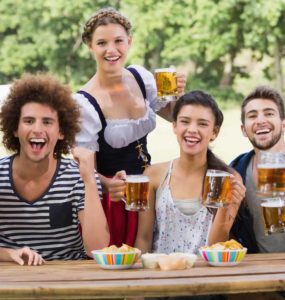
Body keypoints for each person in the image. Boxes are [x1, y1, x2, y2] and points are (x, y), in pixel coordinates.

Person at [74, 7, 186, 247]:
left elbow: (172, 115)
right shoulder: (85, 103)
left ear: (129, 42)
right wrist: (108, 183)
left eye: (118, 41)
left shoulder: (140, 77)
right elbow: (83, 166)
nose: (111, 50)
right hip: (114, 201)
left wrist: (176, 95)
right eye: (102, 43)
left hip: (150, 192)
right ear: (90, 47)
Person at [111, 91, 245, 254]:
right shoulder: (153, 176)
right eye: (185, 121)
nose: (192, 129)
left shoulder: (226, 179)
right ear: (175, 126)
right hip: (162, 273)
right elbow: (144, 238)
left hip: (206, 274)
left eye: (202, 124)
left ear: (214, 132)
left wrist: (226, 207)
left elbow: (217, 247)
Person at [0, 73, 110, 265]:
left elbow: (97, 249)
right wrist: (8, 253)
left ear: (61, 132)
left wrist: (90, 181)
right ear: (15, 129)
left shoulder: (78, 177)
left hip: (67, 282)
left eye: (47, 122)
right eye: (28, 121)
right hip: (11, 284)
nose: (37, 129)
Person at [230, 86, 285, 253]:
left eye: (269, 113)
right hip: (258, 272)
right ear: (243, 130)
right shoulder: (236, 171)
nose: (260, 120)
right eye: (252, 115)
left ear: (283, 125)